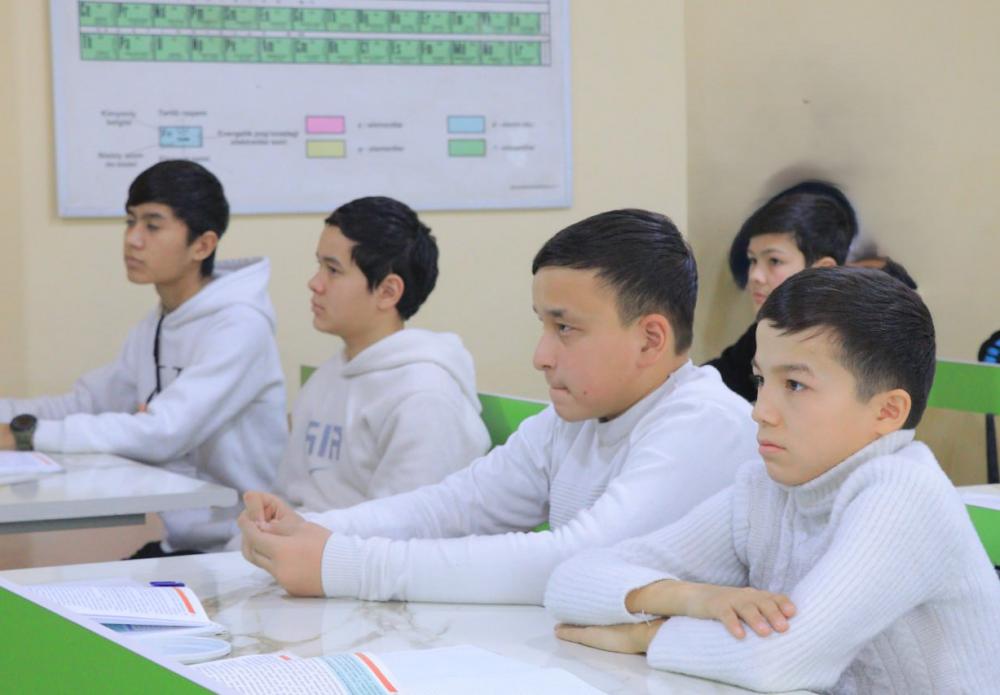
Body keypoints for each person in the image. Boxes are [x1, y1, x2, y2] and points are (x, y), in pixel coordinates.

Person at [237, 209, 757, 604]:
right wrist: (318, 530)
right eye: (543, 325)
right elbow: (458, 505)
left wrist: (343, 565)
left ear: (650, 339)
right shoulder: (572, 419)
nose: (541, 356)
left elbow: (576, 560)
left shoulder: (702, 424)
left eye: (565, 328)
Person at [546, 267, 1000, 694]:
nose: (761, 410)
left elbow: (779, 660)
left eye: (795, 385)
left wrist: (648, 636)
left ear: (887, 411)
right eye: (761, 379)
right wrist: (694, 598)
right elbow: (571, 581)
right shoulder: (767, 488)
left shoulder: (903, 493)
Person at [0, 160, 287, 555]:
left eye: (152, 225)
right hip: (183, 542)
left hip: (240, 548)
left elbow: (163, 433)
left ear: (202, 245)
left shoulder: (240, 326)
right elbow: (88, 402)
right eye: (130, 221)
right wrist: (9, 416)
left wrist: (24, 436)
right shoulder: (161, 319)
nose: (132, 239)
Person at [277, 196, 490, 514]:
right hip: (294, 540)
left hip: (343, 546)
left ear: (388, 292)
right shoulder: (329, 375)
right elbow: (288, 495)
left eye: (333, 270)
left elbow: (405, 528)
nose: (314, 283)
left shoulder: (425, 398)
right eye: (319, 265)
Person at [706, 181, 857, 400]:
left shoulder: (848, 344)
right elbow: (716, 381)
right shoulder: (767, 331)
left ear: (822, 270)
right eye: (753, 260)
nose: (755, 276)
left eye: (774, 261)